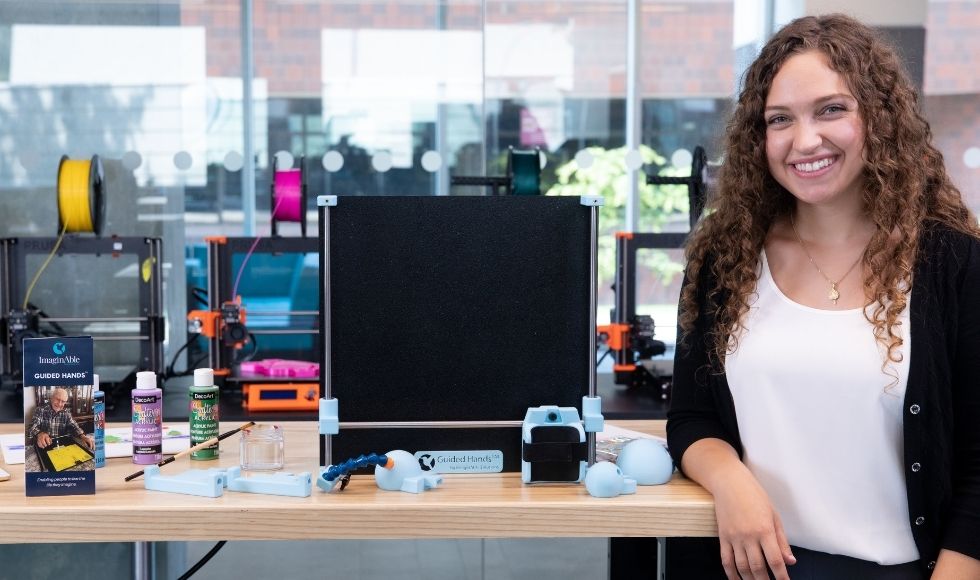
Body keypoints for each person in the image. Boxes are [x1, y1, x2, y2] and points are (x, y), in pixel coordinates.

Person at [666, 13, 980, 580]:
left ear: (879, 119)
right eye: (779, 119)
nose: (804, 140)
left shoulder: (953, 264)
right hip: (750, 568)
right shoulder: (724, 259)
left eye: (831, 110)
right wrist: (731, 480)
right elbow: (691, 419)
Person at [28, 387, 94, 451]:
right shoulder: (40, 410)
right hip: (44, 445)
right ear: (51, 398)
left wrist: (83, 436)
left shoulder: (66, 412)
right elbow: (31, 427)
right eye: (57, 399)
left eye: (63, 401)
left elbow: (74, 426)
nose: (59, 404)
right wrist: (40, 434)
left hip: (60, 446)